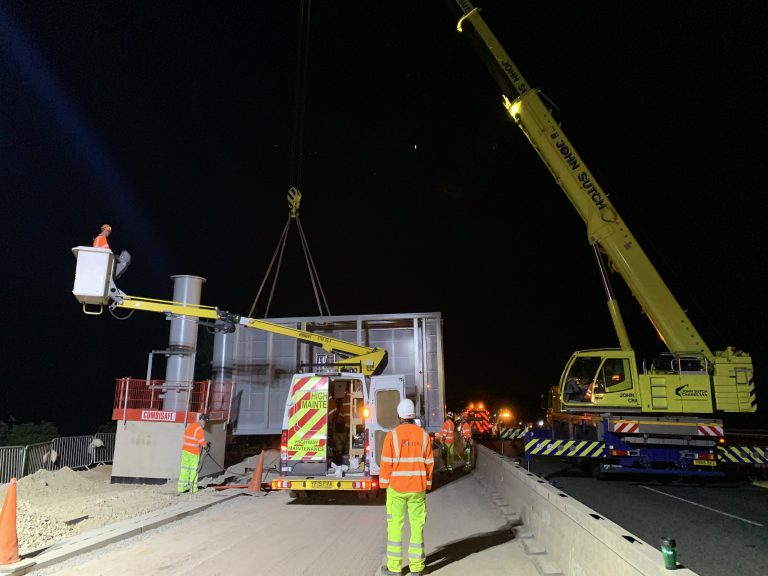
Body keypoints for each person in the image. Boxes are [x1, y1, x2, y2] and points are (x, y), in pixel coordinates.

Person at [379, 398, 433, 576]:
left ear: (399, 416)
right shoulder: (424, 436)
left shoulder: (392, 436)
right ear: (413, 415)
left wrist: (384, 484)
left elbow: (386, 463)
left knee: (395, 526)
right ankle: (417, 567)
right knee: (417, 526)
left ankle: (394, 568)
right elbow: (429, 463)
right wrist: (427, 484)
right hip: (417, 488)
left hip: (396, 489)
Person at [177, 413, 209, 494]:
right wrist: (206, 444)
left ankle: (181, 488)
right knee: (194, 470)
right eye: (205, 422)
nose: (205, 424)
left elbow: (186, 437)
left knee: (184, 469)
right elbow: (203, 443)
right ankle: (193, 489)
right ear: (202, 420)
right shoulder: (199, 430)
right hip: (193, 453)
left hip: (185, 451)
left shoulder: (190, 426)